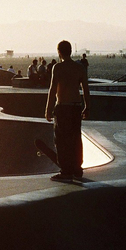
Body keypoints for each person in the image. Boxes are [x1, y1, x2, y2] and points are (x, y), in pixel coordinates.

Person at [45, 40, 90, 181]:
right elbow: (86, 89)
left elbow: (52, 89)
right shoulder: (80, 67)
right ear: (70, 51)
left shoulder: (58, 68)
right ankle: (77, 169)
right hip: (76, 106)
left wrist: (48, 109)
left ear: (59, 52)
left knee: (62, 140)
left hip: (63, 107)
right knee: (76, 138)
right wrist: (87, 106)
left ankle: (66, 171)